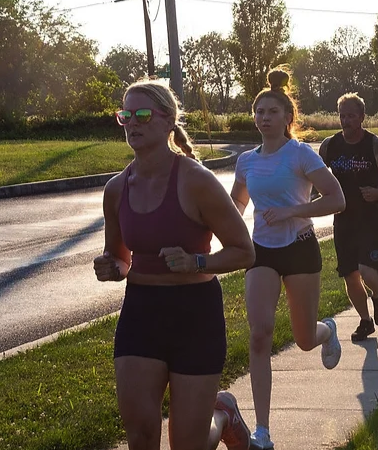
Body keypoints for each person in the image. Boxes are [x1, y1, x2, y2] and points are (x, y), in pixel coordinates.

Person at [93, 78, 256, 450]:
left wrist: (196, 261)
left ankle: (223, 414)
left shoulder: (197, 181)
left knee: (187, 443)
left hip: (195, 316)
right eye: (125, 116)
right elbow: (120, 259)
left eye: (142, 115)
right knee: (140, 435)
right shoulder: (116, 189)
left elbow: (244, 251)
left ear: (168, 120)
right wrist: (111, 268)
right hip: (141, 314)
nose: (132, 123)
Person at [230, 66, 346, 450]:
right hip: (260, 251)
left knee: (304, 338)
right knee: (259, 334)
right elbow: (236, 206)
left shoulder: (300, 155)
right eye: (259, 112)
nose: (264, 117)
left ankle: (326, 330)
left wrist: (293, 211)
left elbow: (337, 199)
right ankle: (262, 431)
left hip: (299, 248)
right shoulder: (246, 161)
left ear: (287, 117)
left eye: (272, 112)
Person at [319, 92, 378, 342]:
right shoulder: (329, 146)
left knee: (366, 271)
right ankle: (365, 321)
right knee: (350, 275)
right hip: (343, 220)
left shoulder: (376, 145)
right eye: (342, 116)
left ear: (362, 117)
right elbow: (315, 177)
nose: (345, 121)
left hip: (371, 219)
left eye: (351, 116)